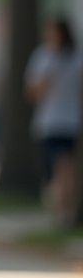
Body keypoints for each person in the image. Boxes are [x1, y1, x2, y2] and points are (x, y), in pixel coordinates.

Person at [25, 16, 82, 228]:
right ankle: (60, 209)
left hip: (70, 122)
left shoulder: (76, 57)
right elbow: (31, 93)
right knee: (55, 171)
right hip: (47, 122)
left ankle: (63, 214)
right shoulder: (43, 56)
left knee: (65, 168)